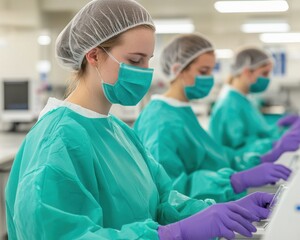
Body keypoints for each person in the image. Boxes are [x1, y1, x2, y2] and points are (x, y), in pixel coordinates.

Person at [6, 1, 273, 239]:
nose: (145, 73)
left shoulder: (119, 131)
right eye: (134, 60)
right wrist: (170, 234)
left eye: (148, 61)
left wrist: (218, 210)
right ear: (94, 55)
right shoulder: (57, 140)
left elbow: (163, 199)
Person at [134, 34, 296, 203]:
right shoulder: (160, 121)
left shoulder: (181, 111)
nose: (210, 78)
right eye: (203, 71)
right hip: (189, 216)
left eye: (211, 70)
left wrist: (256, 161)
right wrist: (234, 180)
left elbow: (215, 156)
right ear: (177, 70)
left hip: (210, 202)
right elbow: (170, 191)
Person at [209, 47, 300, 155]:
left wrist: (281, 129)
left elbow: (258, 133)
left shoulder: (244, 99)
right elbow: (236, 151)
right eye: (265, 73)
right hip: (241, 168)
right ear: (247, 72)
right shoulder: (229, 105)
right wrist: (274, 144)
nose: (268, 78)